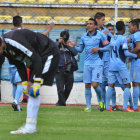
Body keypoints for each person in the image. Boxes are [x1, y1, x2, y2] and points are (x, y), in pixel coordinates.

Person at [0, 28, 60, 134]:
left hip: (48, 53)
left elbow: (36, 58)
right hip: (37, 58)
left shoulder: (13, 41)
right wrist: (24, 82)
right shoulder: (4, 49)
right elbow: (19, 64)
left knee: (33, 90)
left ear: (1, 43)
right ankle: (30, 127)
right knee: (31, 89)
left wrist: (36, 82)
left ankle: (30, 127)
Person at [90, 21, 137, 112]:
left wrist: (99, 49)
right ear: (124, 28)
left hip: (111, 65)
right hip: (120, 65)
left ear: (116, 28)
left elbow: (108, 48)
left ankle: (107, 107)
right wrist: (135, 56)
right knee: (127, 85)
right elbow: (126, 53)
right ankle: (124, 107)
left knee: (111, 85)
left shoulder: (112, 38)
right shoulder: (123, 38)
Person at [68, 18, 109, 112]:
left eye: (90, 24)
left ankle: (101, 100)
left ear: (95, 26)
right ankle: (88, 107)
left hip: (98, 63)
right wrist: (74, 47)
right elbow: (80, 50)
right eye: (87, 24)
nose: (88, 25)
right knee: (87, 85)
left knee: (95, 85)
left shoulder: (101, 35)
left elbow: (108, 47)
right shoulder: (84, 36)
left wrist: (98, 49)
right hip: (87, 64)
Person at [94, 12, 118, 110]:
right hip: (97, 61)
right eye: (103, 20)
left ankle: (114, 105)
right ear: (97, 20)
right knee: (101, 84)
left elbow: (112, 43)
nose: (104, 22)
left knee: (111, 82)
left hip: (107, 60)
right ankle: (102, 105)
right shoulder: (92, 31)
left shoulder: (106, 31)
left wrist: (106, 37)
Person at [55, 31, 78, 106]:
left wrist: (68, 46)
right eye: (63, 37)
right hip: (59, 68)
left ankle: (61, 102)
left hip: (69, 69)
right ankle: (62, 103)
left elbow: (75, 53)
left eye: (66, 37)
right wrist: (59, 42)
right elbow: (53, 50)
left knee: (69, 87)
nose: (65, 38)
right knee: (60, 88)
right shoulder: (56, 44)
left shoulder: (69, 45)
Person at [7, 15, 23, 111]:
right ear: (21, 23)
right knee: (20, 82)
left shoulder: (7, 34)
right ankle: (16, 101)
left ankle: (17, 106)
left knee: (14, 84)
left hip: (10, 63)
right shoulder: (23, 34)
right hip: (20, 62)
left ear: (12, 23)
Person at [128, 19, 140, 111]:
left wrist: (130, 53)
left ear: (135, 27)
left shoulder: (136, 35)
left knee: (136, 84)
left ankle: (135, 107)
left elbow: (138, 48)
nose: (129, 29)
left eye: (130, 27)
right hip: (136, 60)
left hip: (137, 62)